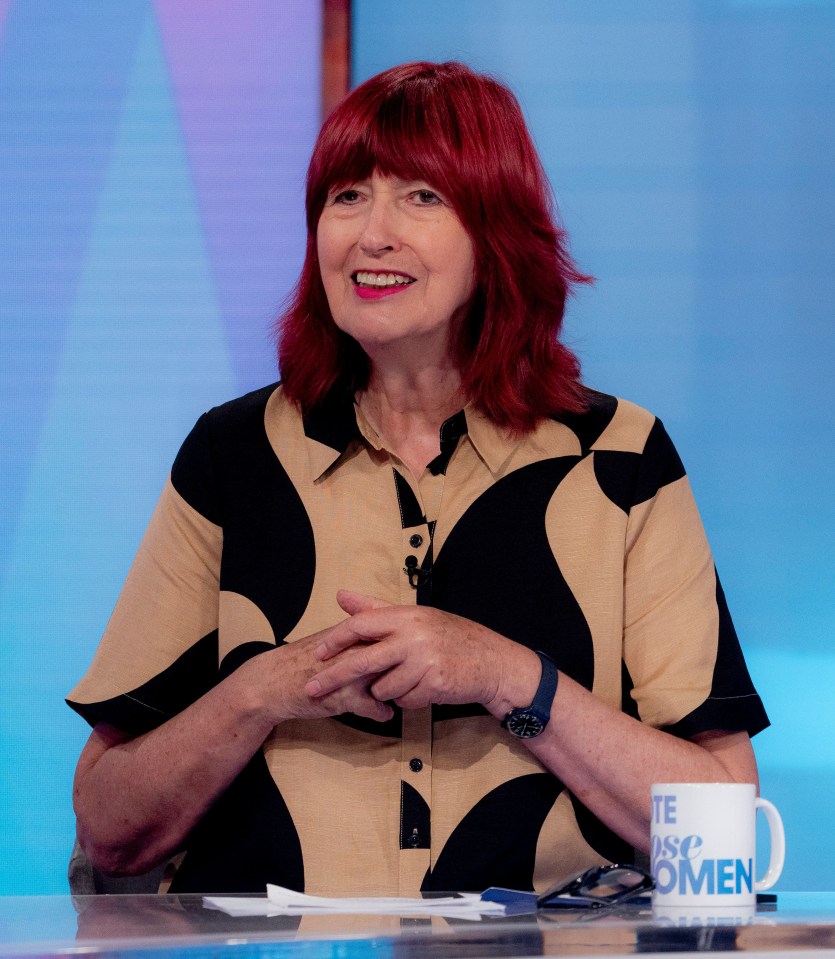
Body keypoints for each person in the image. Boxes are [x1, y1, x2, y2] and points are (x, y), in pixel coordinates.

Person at [68, 61, 768, 896]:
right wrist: (265, 688)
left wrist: (507, 676)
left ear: (496, 233)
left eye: (422, 196)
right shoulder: (231, 454)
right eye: (347, 196)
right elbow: (108, 828)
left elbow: (723, 826)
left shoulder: (619, 457)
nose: (372, 233)